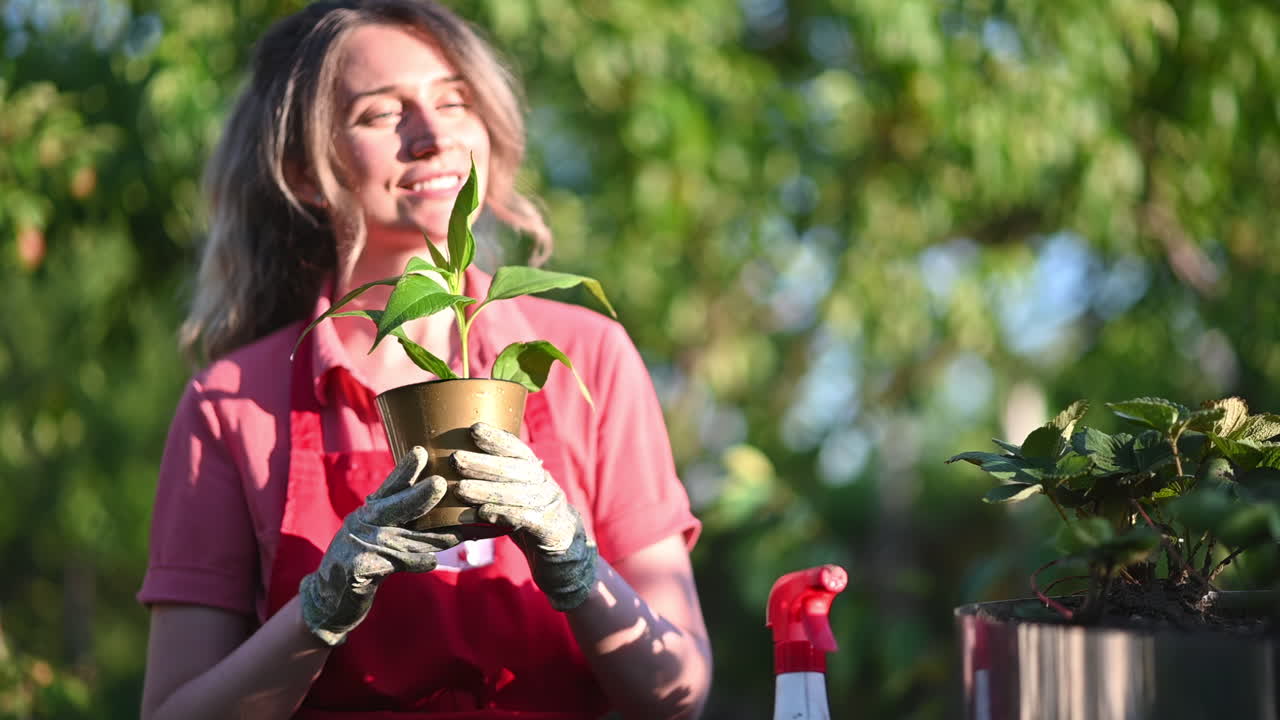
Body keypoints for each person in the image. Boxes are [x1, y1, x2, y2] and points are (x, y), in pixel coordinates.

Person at [136, 1, 712, 717]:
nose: (433, 136)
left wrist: (575, 565)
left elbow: (678, 692)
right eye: (382, 114)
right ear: (304, 173)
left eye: (455, 101)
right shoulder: (234, 403)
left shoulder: (584, 355)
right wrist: (319, 610)